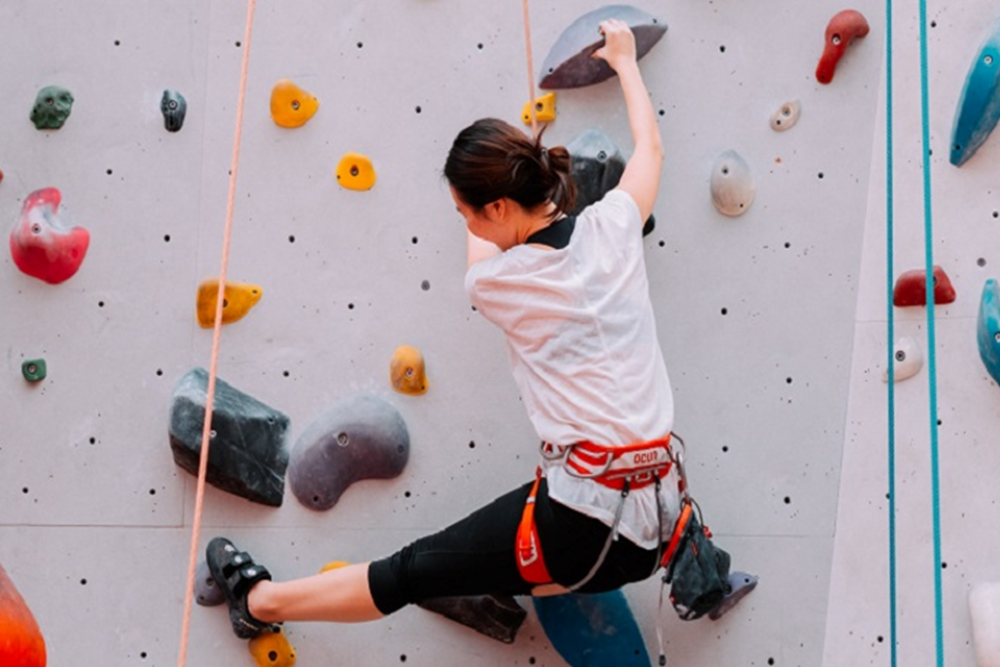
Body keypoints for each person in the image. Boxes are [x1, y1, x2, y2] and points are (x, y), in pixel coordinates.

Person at [207, 18, 690, 640]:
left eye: (465, 211)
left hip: (584, 529)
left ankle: (259, 604)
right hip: (659, 514)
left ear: (496, 208)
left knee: (409, 571)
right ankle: (506, 581)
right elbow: (650, 151)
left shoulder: (499, 283)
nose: (465, 222)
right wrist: (625, 62)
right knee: (496, 547)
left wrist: (484, 193)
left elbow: (484, 252)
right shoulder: (615, 228)